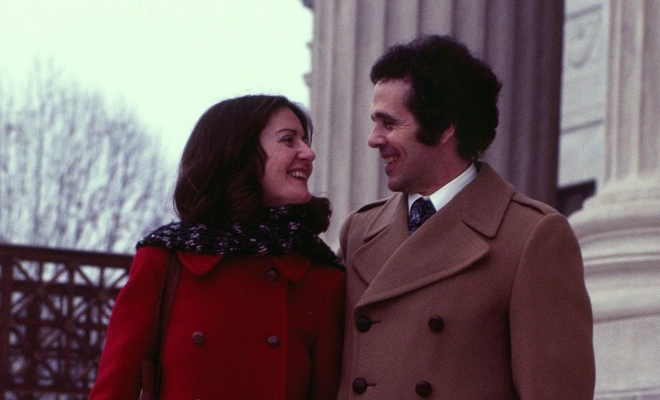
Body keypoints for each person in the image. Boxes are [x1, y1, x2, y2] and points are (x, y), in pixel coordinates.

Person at [337, 35, 595, 399]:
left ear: (445, 126)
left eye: (389, 124)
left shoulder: (531, 237)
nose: (373, 139)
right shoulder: (358, 232)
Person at [90, 95, 345, 399]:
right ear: (238, 152)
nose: (309, 153)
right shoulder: (164, 260)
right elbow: (114, 389)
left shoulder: (322, 276)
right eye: (288, 140)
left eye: (305, 141)